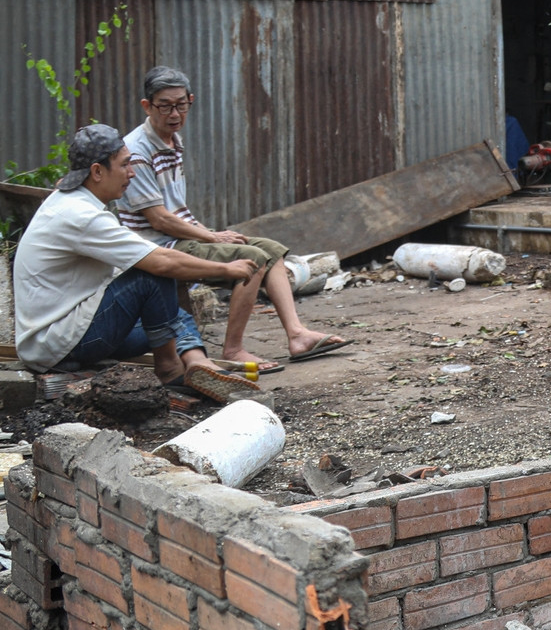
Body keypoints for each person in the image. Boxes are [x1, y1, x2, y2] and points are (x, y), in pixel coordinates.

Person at [118, 66, 349, 371]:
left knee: (271, 250)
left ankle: (297, 335)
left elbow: (178, 210)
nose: (174, 113)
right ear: (147, 106)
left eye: (181, 104)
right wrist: (211, 237)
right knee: (251, 259)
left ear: (190, 100)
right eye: (165, 105)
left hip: (181, 234)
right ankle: (233, 349)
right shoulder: (136, 149)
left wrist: (207, 231)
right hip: (159, 245)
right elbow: (159, 220)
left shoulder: (172, 141)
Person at [12, 124, 263, 403]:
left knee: (170, 316)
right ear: (97, 172)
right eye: (124, 165)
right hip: (63, 345)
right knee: (152, 275)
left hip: (65, 338)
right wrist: (226, 269)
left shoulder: (71, 202)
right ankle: (170, 369)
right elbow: (161, 263)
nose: (131, 173)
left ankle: (196, 362)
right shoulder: (81, 215)